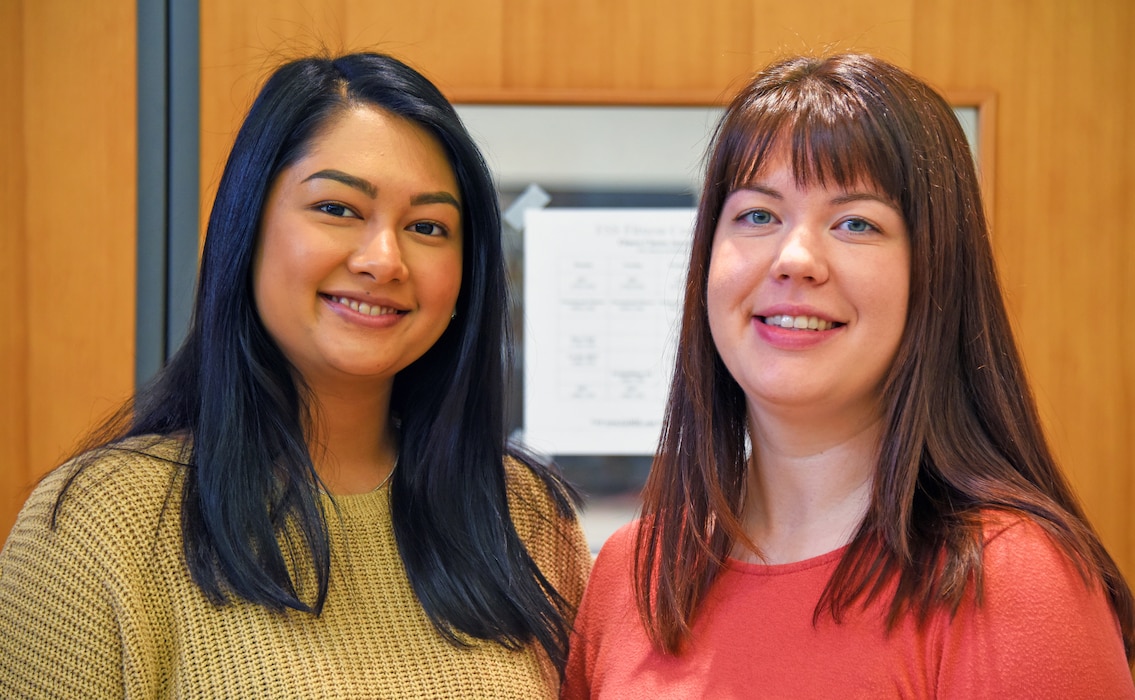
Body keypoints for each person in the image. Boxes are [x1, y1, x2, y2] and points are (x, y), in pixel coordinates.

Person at [0, 52, 591, 698]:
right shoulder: (101, 521)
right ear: (247, 229)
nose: (382, 260)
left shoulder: (522, 513)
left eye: (427, 226)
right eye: (337, 210)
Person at [563, 53, 1135, 698]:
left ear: (935, 278)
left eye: (856, 223)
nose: (796, 258)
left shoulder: (1012, 580)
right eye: (757, 215)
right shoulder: (633, 573)